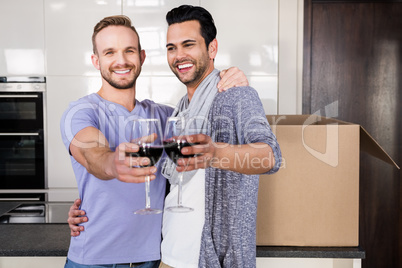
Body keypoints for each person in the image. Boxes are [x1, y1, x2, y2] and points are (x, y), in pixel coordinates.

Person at [60, 15, 248, 268]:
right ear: (96, 61)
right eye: (109, 52)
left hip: (153, 259)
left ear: (142, 57)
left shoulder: (167, 116)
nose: (121, 60)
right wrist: (113, 163)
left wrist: (230, 78)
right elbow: (92, 155)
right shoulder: (82, 112)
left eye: (129, 51)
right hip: (93, 259)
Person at [157, 5, 281, 268]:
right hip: (170, 254)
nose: (179, 55)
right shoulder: (180, 110)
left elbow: (269, 157)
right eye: (171, 47)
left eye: (188, 45)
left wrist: (215, 154)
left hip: (210, 260)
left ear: (212, 48)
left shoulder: (236, 95)